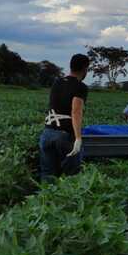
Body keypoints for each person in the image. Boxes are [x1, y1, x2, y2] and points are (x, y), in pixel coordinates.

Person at [39, 54, 89, 183]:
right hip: (64, 135)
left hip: (47, 132)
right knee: (72, 176)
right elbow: (76, 111)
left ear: (70, 66)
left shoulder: (57, 82)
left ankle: (45, 201)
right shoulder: (80, 87)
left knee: (48, 174)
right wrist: (78, 138)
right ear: (85, 69)